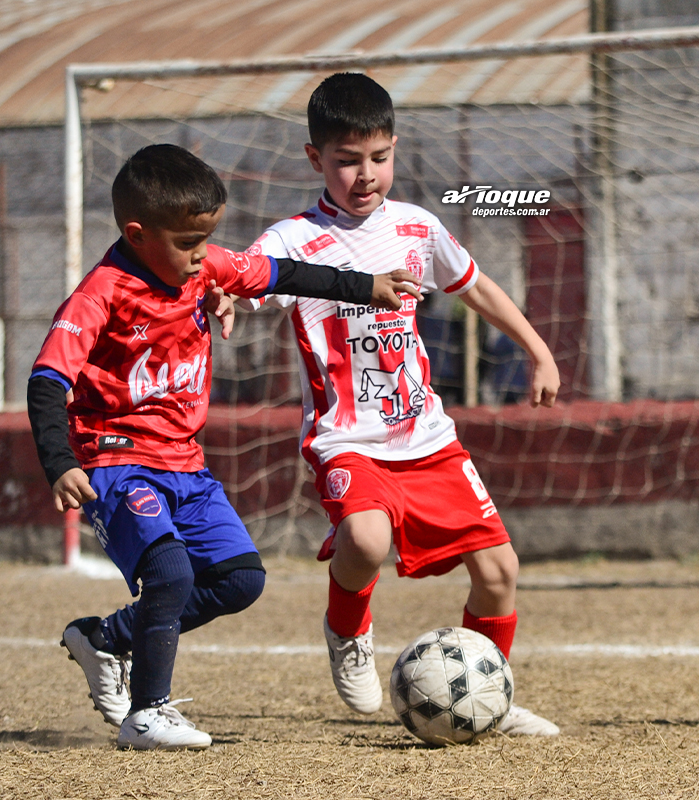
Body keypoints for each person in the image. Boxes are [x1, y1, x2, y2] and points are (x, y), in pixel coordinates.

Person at [27, 143, 420, 750]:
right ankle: (147, 713)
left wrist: (366, 286)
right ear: (137, 234)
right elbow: (47, 379)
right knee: (170, 573)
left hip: (184, 463)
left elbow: (284, 274)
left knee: (240, 579)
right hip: (114, 459)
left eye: (207, 239)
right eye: (188, 242)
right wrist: (60, 463)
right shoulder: (100, 293)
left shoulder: (204, 269)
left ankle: (108, 638)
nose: (202, 255)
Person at [235, 73, 562, 736]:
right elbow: (248, 281)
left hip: (427, 437)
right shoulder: (291, 240)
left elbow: (477, 288)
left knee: (500, 572)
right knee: (365, 536)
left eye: (378, 158)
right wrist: (225, 296)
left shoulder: (418, 227)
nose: (364, 175)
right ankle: (347, 629)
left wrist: (537, 349)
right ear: (315, 158)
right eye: (347, 160)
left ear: (394, 150)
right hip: (346, 438)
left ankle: (486, 697)